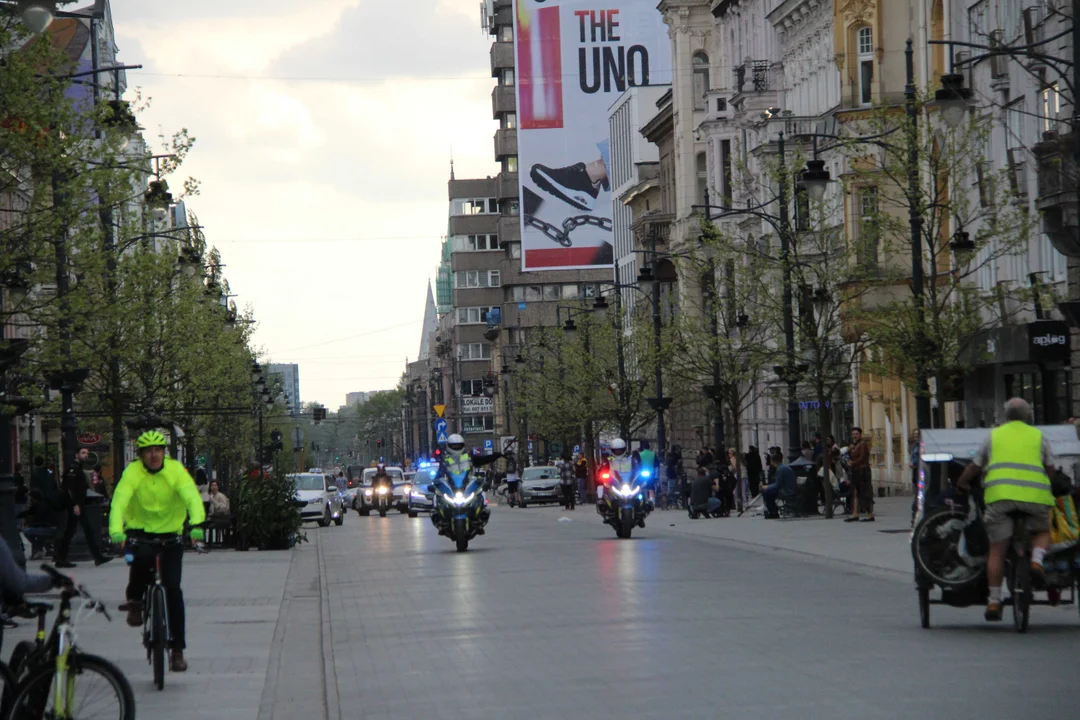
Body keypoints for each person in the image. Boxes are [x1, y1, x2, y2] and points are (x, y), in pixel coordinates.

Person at [109, 430, 205, 672]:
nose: (154, 455)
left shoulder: (175, 471)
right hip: (140, 533)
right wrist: (115, 531)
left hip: (170, 534)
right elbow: (119, 500)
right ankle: (134, 601)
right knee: (140, 563)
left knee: (173, 589)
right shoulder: (132, 473)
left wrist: (196, 525)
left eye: (158, 450)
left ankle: (177, 650)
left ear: (164, 452)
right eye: (149, 451)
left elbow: (192, 497)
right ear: (141, 455)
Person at [956, 398, 1056, 622]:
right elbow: (1050, 467)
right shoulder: (1039, 436)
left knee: (997, 549)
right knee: (1042, 529)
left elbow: (976, 465)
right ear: (1028, 416)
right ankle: (1036, 562)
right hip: (1035, 497)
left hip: (1000, 498)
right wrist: (1047, 483)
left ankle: (993, 601)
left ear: (1005, 416)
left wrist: (962, 483)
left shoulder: (994, 436)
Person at [53, 448, 113, 569]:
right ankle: (96, 557)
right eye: (83, 453)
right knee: (81, 531)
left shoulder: (78, 468)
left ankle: (62, 558)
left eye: (86, 453)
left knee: (74, 532)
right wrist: (75, 504)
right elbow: (69, 488)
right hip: (76, 506)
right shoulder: (73, 469)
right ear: (76, 455)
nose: (86, 455)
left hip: (78, 505)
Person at [431, 434, 501, 528]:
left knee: (480, 494)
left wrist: (496, 456)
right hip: (452, 486)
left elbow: (482, 460)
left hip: (466, 485)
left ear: (463, 445)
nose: (456, 448)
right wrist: (434, 483)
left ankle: (480, 514)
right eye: (454, 446)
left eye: (458, 445)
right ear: (449, 446)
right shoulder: (445, 459)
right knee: (438, 497)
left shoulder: (468, 457)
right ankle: (440, 517)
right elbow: (440, 473)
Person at [845, 427, 874, 522]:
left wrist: (852, 463)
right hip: (856, 470)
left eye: (856, 434)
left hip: (863, 470)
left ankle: (870, 515)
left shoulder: (863, 444)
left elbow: (862, 457)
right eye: (853, 434)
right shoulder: (854, 445)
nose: (854, 435)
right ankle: (855, 513)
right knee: (855, 492)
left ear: (860, 435)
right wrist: (849, 451)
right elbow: (851, 456)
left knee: (865, 492)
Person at [761, 452, 797, 519]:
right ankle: (773, 510)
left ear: (772, 461)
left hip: (786, 491)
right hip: (789, 488)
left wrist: (767, 487)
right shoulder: (784, 467)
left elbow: (777, 484)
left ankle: (773, 512)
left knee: (765, 492)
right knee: (767, 491)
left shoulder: (780, 469)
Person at [206, 480, 231, 545]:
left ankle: (211, 542)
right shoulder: (210, 496)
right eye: (212, 485)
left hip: (221, 518)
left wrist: (214, 502)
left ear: (218, 487)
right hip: (213, 517)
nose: (214, 487)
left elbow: (223, 509)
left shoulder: (221, 496)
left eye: (215, 485)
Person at [909, 428, 921, 525]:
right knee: (917, 495)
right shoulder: (915, 446)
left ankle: (916, 517)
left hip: (920, 472)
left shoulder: (920, 446)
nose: (916, 436)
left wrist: (914, 464)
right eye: (914, 434)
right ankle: (915, 516)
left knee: (918, 497)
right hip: (916, 473)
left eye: (917, 434)